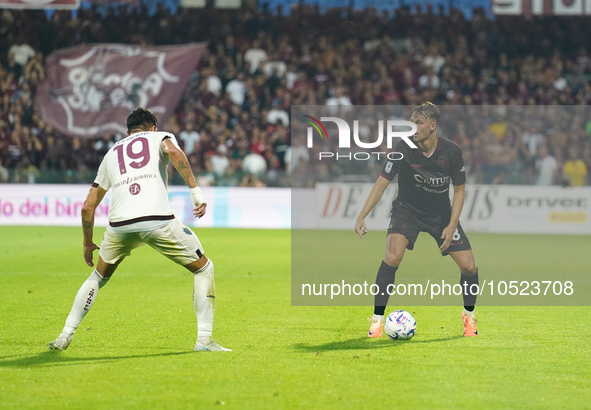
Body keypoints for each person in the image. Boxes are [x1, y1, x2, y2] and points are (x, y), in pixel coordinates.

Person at [49, 108, 230, 352]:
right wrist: (196, 193)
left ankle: (64, 336)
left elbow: (87, 208)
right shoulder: (160, 137)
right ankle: (204, 341)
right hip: (157, 220)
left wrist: (87, 242)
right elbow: (175, 153)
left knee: (98, 278)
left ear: (127, 132)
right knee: (204, 269)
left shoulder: (111, 154)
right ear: (152, 127)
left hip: (119, 226)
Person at [355, 102, 479, 338]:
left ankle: (469, 317)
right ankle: (377, 321)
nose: (414, 127)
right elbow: (382, 183)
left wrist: (451, 224)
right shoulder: (403, 148)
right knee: (392, 257)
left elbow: (460, 191)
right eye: (412, 122)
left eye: (419, 123)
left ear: (433, 126)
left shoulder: (451, 151)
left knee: (469, 267)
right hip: (407, 211)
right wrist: (362, 215)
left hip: (441, 216)